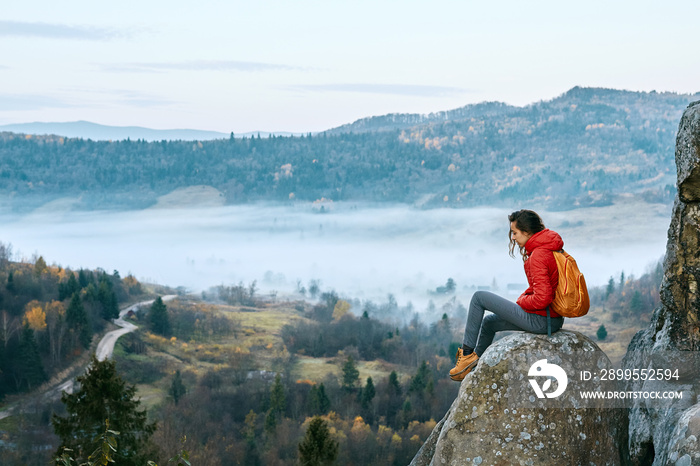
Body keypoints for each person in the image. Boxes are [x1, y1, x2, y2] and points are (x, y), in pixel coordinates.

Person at [449, 209, 565, 381]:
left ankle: (466, 355)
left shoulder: (539, 255)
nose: (513, 237)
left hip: (542, 320)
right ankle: (472, 369)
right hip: (549, 318)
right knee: (489, 323)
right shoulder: (545, 248)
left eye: (515, 232)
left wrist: (522, 301)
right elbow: (544, 289)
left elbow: (543, 298)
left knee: (478, 298)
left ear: (527, 232)